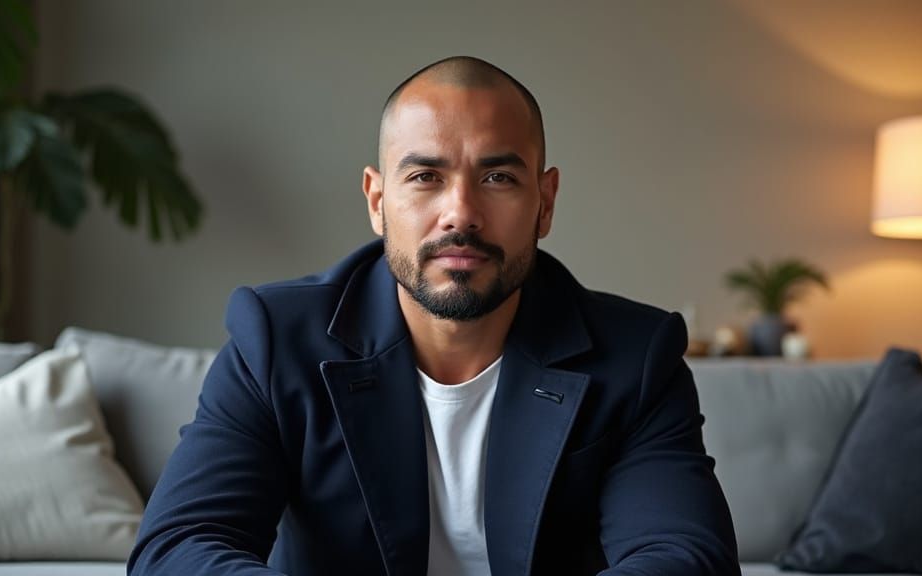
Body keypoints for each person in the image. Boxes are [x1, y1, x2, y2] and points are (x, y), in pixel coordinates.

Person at [128, 56, 740, 576]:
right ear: (377, 200)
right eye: (425, 176)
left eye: (498, 176)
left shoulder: (634, 354)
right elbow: (178, 547)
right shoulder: (276, 340)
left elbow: (683, 555)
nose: (460, 213)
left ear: (544, 203)